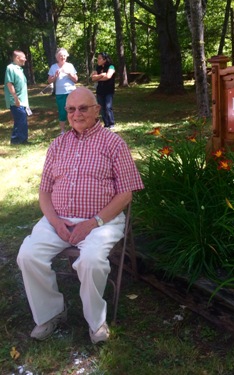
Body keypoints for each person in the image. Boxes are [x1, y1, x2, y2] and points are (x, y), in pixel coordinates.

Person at [17, 87, 144, 343]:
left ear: (97, 110)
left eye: (83, 108)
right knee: (28, 255)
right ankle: (51, 313)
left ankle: (96, 322)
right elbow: (44, 193)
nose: (77, 114)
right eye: (71, 109)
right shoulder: (58, 144)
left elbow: (125, 194)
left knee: (91, 260)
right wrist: (55, 222)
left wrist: (93, 222)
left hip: (101, 221)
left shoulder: (113, 143)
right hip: (58, 220)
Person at [48, 47, 78, 134]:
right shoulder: (53, 67)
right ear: (57, 57)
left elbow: (76, 80)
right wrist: (55, 76)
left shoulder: (70, 66)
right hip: (60, 93)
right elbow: (49, 80)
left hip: (71, 92)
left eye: (64, 56)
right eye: (61, 56)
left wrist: (69, 74)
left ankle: (75, 129)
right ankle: (62, 131)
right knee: (62, 111)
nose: (63, 57)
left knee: (74, 110)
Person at [4, 50, 30, 145]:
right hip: (16, 100)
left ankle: (19, 140)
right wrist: (16, 98)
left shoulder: (19, 69)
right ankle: (19, 140)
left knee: (21, 120)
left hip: (22, 101)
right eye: (24, 57)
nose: (25, 59)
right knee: (21, 120)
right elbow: (9, 83)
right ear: (17, 58)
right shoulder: (10, 68)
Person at [91, 52, 116, 129]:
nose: (98, 60)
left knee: (108, 107)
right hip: (100, 91)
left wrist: (98, 78)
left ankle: (111, 123)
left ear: (104, 59)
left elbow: (108, 76)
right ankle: (106, 124)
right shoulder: (97, 68)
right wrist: (101, 75)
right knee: (101, 108)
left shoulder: (111, 66)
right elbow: (93, 78)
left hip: (108, 90)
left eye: (99, 58)